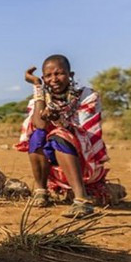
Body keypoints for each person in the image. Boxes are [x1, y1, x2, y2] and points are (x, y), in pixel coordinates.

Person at [16, 54, 112, 218]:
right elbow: (39, 124)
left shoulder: (87, 96)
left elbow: (85, 133)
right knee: (37, 135)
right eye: (48, 76)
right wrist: (38, 86)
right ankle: (41, 191)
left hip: (84, 160)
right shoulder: (40, 99)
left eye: (59, 73)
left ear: (70, 75)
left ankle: (82, 200)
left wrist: (57, 119)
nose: (54, 79)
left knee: (58, 134)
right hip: (54, 164)